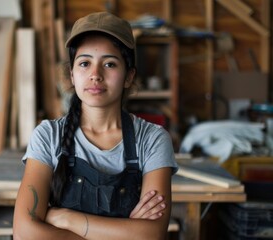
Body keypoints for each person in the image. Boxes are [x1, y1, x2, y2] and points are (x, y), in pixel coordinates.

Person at [13, 12, 178, 240]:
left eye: (109, 64)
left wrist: (66, 219)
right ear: (72, 75)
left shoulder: (152, 140)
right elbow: (24, 233)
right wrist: (125, 231)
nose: (95, 75)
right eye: (84, 63)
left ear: (129, 76)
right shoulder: (48, 136)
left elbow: (151, 235)